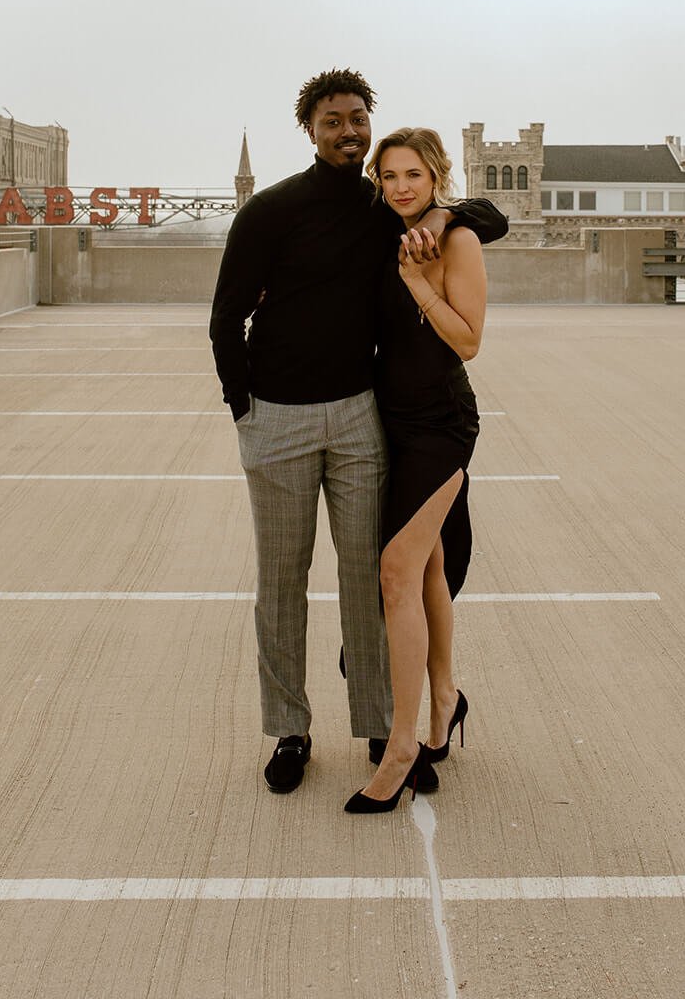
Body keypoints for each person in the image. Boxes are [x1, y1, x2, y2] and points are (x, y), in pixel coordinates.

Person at [209, 69, 507, 795]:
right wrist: (243, 407)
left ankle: (382, 726)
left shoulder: (387, 207)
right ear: (310, 129)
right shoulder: (272, 210)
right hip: (275, 419)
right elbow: (225, 317)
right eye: (332, 120)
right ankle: (289, 730)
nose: (347, 130)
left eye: (357, 119)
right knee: (280, 583)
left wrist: (443, 218)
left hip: (359, 416)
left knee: (368, 582)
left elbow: (484, 215)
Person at [344, 128, 487, 813]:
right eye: (389, 175)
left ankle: (401, 746)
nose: (401, 186)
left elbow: (470, 341)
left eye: (413, 175)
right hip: (388, 422)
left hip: (439, 424)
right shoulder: (383, 229)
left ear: (435, 176)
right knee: (424, 568)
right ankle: (443, 703)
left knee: (396, 571)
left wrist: (415, 283)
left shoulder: (450, 239)